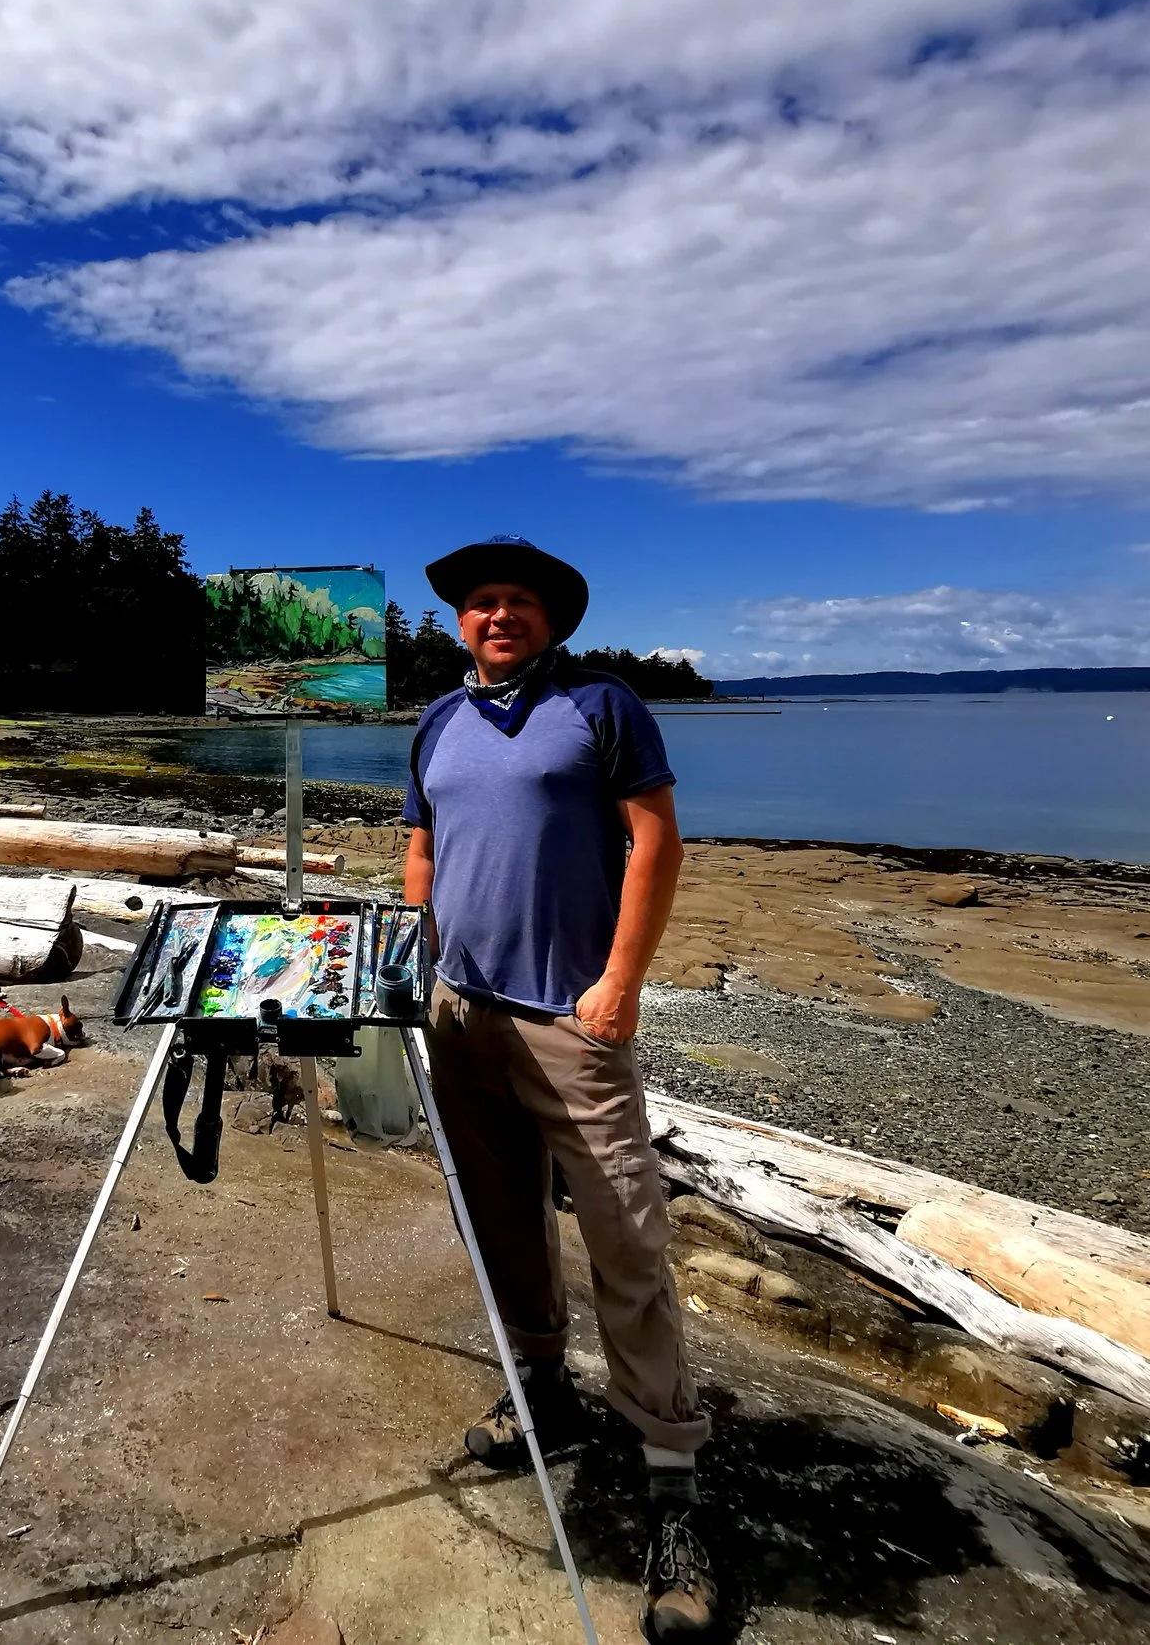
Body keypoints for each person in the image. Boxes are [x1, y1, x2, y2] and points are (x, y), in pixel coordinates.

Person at [401, 534, 714, 1639]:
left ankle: (670, 1472)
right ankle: (542, 1389)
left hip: (568, 1019)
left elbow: (655, 842)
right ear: (458, 623)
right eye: (480, 603)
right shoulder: (437, 721)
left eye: (518, 602)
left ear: (553, 619)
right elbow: (425, 848)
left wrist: (621, 982)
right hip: (459, 1012)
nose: (497, 616)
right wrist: (415, 956)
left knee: (626, 1233)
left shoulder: (602, 705)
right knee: (497, 1218)